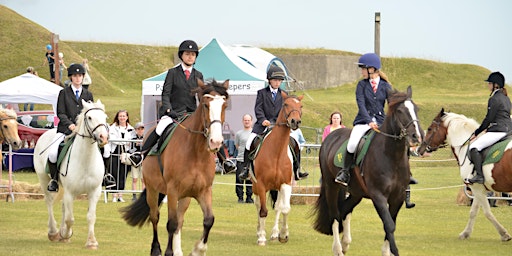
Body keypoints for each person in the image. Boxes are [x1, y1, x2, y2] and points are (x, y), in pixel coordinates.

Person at [139, 40, 236, 173]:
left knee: (211, 128)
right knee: (161, 127)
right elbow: (165, 94)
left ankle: (225, 161)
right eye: (187, 54)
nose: (190, 56)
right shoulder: (172, 73)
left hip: (190, 113)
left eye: (193, 54)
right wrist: (168, 110)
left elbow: (202, 98)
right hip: (173, 113)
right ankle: (140, 154)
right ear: (182, 55)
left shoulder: (198, 75)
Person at [46, 63, 115, 192]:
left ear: (83, 77)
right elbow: (60, 112)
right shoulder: (63, 93)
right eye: (75, 76)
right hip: (66, 130)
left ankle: (106, 176)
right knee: (53, 152)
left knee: (106, 149)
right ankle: (54, 180)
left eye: (80, 76)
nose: (78, 78)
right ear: (71, 78)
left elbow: (92, 114)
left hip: (85, 132)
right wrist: (70, 125)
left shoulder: (88, 94)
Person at [238, 65, 309, 180]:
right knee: (249, 142)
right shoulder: (261, 93)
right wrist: (263, 120)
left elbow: (286, 111)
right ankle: (246, 169)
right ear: (269, 80)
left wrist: (279, 121)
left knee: (296, 142)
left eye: (279, 81)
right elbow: (258, 109)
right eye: (275, 80)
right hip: (263, 124)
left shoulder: (284, 94)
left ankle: (297, 169)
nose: (277, 83)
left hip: (280, 125)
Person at [334, 53, 392, 186]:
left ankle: (405, 174)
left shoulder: (386, 86)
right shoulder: (361, 85)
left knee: (396, 142)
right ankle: (345, 172)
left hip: (381, 122)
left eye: (363, 68)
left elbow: (391, 105)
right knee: (352, 144)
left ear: (371, 69)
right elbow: (361, 105)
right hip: (363, 122)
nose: (361, 71)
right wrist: (369, 121)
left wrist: (388, 121)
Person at [466, 72, 512, 184]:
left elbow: (489, 119)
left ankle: (480, 176)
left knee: (474, 147)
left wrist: (477, 132)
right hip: (508, 130)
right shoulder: (506, 98)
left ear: (495, 85)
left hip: (499, 131)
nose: (488, 85)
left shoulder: (494, 99)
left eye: (489, 83)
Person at [107, 110, 135, 202]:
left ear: (127, 117)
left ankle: (120, 195)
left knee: (123, 174)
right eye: (120, 116)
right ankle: (114, 196)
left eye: (124, 116)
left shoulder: (131, 129)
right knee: (114, 173)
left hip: (125, 153)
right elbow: (112, 139)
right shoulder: (112, 127)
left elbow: (131, 141)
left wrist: (122, 140)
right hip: (115, 151)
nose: (122, 118)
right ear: (117, 117)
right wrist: (122, 140)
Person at [234, 114, 254, 203]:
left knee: (250, 179)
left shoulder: (254, 133)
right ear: (243, 121)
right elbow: (237, 145)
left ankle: (249, 197)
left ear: (251, 121)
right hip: (240, 159)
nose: (247, 122)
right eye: (245, 120)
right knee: (239, 179)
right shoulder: (238, 133)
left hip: (251, 160)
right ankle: (240, 197)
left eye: (248, 120)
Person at [130, 121, 145, 201]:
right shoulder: (133, 139)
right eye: (138, 129)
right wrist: (136, 146)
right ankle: (134, 195)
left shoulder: (146, 139)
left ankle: (142, 195)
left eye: (142, 128)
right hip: (135, 161)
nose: (140, 130)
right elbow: (130, 150)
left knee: (143, 179)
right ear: (135, 130)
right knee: (135, 178)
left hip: (143, 161)